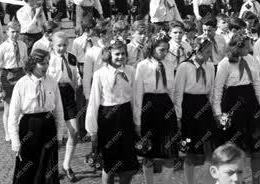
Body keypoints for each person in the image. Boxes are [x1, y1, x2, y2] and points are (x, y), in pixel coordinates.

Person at [85, 36, 139, 184]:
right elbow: (94, 102)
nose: (120, 57)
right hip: (108, 119)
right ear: (109, 55)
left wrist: (137, 121)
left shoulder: (131, 71)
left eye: (123, 53)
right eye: (117, 54)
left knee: (127, 163)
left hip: (126, 116)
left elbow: (135, 97)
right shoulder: (100, 74)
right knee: (109, 164)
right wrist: (92, 131)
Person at [212, 32, 260, 184]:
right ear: (238, 47)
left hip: (251, 102)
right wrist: (218, 113)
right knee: (234, 147)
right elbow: (218, 89)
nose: (250, 48)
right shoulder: (225, 64)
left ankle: (256, 181)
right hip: (232, 104)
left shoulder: (251, 60)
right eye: (247, 46)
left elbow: (256, 83)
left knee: (256, 145)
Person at [8, 49, 65, 184]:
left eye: (47, 63)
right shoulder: (22, 84)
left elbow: (59, 110)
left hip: (48, 126)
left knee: (48, 166)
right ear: (33, 64)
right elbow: (13, 115)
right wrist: (15, 142)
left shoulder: (51, 82)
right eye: (42, 64)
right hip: (29, 127)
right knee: (28, 167)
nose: (46, 67)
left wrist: (60, 135)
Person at [132, 31, 179, 184]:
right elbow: (138, 94)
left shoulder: (169, 64)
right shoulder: (142, 66)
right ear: (152, 48)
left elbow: (172, 90)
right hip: (149, 107)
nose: (165, 53)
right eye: (161, 49)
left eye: (167, 49)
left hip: (166, 106)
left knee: (170, 151)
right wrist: (137, 120)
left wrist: (177, 114)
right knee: (148, 152)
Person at [173, 35, 217, 184]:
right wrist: (178, 116)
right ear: (197, 51)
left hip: (204, 106)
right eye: (207, 52)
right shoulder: (184, 67)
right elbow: (178, 93)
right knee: (190, 150)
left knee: (209, 146)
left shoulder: (210, 66)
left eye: (210, 51)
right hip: (189, 108)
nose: (209, 55)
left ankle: (209, 180)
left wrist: (215, 112)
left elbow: (211, 91)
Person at [48, 31, 80, 181]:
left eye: (64, 45)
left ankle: (66, 165)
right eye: (58, 45)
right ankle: (51, 168)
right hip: (53, 93)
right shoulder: (48, 59)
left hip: (68, 93)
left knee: (74, 131)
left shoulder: (72, 57)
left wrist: (78, 83)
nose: (61, 48)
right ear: (52, 45)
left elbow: (76, 74)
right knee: (54, 135)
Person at [0, 18, 28, 142]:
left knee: (22, 105)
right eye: (12, 32)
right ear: (7, 32)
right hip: (8, 76)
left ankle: (20, 130)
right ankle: (8, 133)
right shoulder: (3, 47)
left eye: (17, 32)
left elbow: (25, 61)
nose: (15, 34)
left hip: (21, 74)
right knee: (9, 105)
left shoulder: (23, 45)